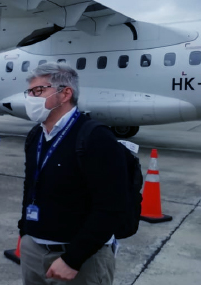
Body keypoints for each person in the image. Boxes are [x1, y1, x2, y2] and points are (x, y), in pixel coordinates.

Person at [17, 63, 126, 284]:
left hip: (80, 259)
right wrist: (25, 232)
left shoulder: (95, 137)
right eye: (29, 92)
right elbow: (30, 187)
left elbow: (112, 208)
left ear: (65, 93)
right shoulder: (35, 136)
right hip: (34, 250)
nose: (31, 98)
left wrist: (73, 259)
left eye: (38, 91)